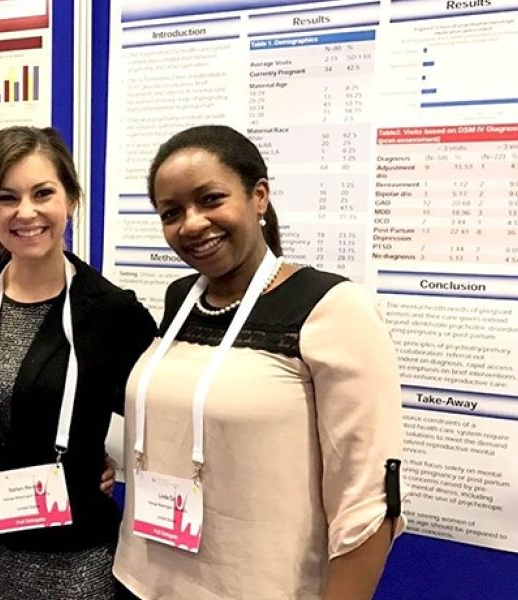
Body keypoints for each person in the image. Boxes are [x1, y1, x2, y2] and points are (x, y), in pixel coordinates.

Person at [113, 125, 405, 599]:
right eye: (172, 212)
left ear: (259, 196)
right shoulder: (181, 298)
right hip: (141, 581)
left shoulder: (332, 307)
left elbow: (367, 502)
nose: (190, 223)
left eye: (210, 199)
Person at [0, 126, 156, 599]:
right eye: (7, 197)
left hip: (70, 558)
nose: (25, 212)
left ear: (70, 198)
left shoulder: (114, 314)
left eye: (43, 193)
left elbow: (155, 420)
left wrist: (96, 452)